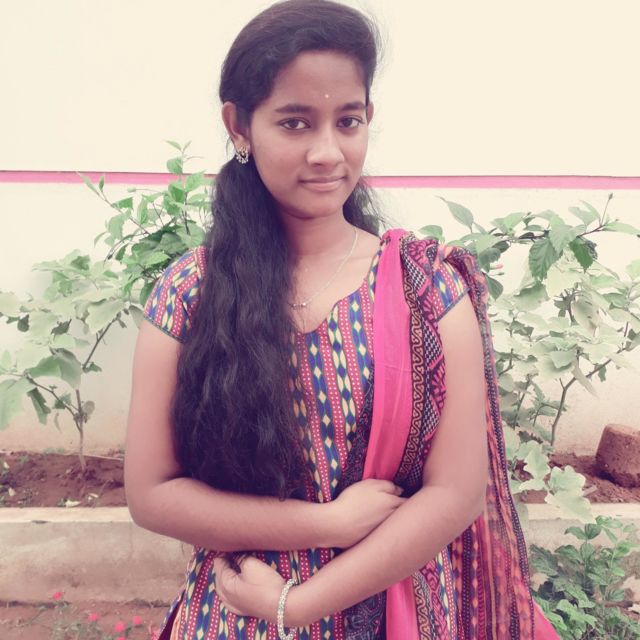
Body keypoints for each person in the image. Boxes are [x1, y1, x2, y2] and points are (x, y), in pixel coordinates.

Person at [124, 1, 559, 638]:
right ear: (239, 127)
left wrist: (299, 605)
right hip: (237, 611)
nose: (328, 152)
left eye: (347, 121)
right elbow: (153, 493)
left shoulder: (426, 288)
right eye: (295, 123)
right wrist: (324, 523)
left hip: (393, 608)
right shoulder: (191, 292)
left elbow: (457, 493)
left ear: (368, 120)